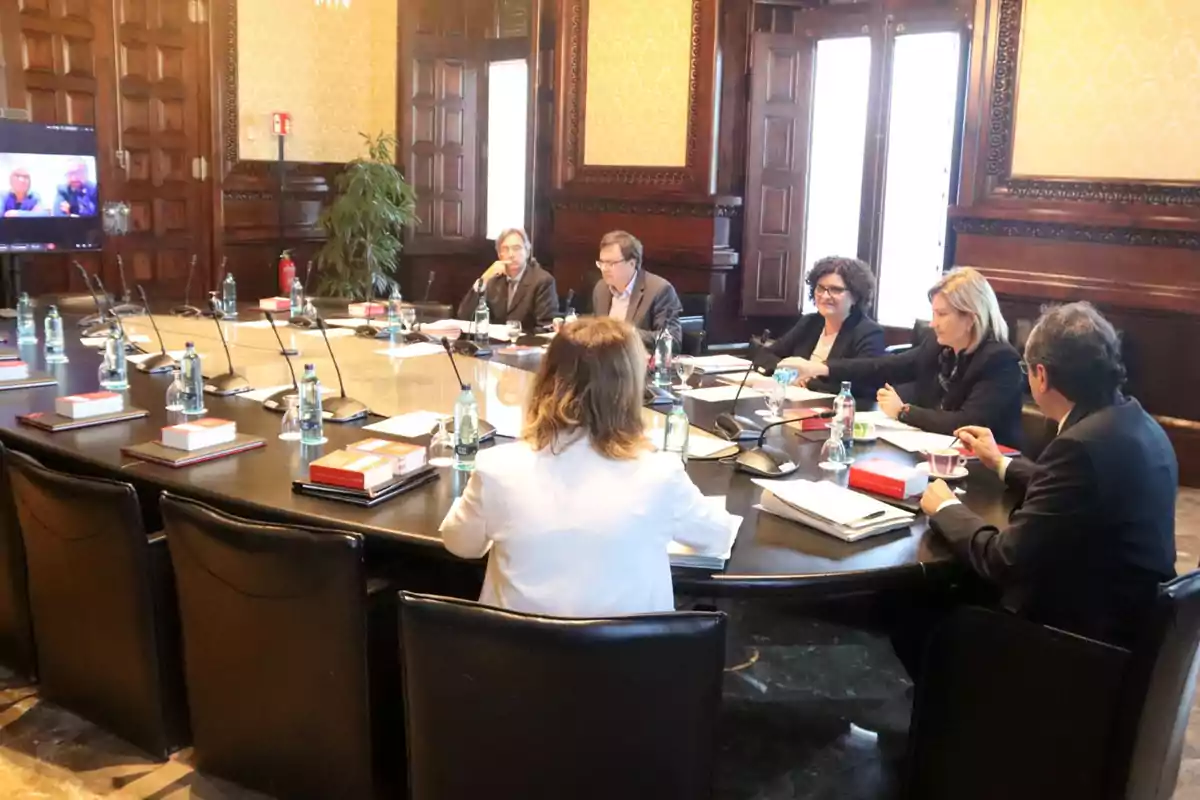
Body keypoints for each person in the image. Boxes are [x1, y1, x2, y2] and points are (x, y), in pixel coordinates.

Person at [439, 316, 737, 617]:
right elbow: (717, 538)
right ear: (630, 389)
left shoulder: (497, 468)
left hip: (517, 659)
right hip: (631, 660)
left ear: (545, 380)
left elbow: (460, 543)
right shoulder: (661, 475)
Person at [920, 302, 1176, 648]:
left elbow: (1004, 560)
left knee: (930, 611)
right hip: (1133, 622)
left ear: (1040, 375)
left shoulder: (1080, 447)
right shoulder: (1135, 421)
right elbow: (1074, 493)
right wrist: (1000, 461)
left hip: (1079, 642)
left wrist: (946, 508)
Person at [781, 267, 1024, 446]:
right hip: (935, 450)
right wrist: (820, 368)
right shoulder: (940, 347)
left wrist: (904, 412)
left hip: (986, 470)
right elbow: (884, 366)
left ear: (970, 318)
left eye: (941, 314)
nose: (933, 323)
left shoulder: (1000, 361)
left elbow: (966, 422)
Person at [768, 256, 885, 399]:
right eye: (820, 288)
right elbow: (766, 355)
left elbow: (864, 384)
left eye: (836, 290)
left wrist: (810, 381)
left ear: (855, 296)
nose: (825, 296)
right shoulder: (810, 322)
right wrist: (790, 375)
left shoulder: (868, 332)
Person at [591, 230, 683, 350]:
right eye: (601, 263)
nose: (604, 269)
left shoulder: (660, 290)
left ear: (632, 263)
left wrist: (628, 332)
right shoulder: (601, 288)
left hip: (638, 364)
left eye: (611, 263)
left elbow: (672, 340)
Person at [457, 227, 558, 331]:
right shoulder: (493, 279)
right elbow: (465, 317)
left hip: (526, 345)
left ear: (527, 252)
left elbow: (546, 328)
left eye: (516, 248)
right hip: (494, 344)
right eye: (505, 249)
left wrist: (513, 335)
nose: (511, 255)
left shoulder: (542, 281)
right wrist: (484, 279)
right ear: (499, 255)